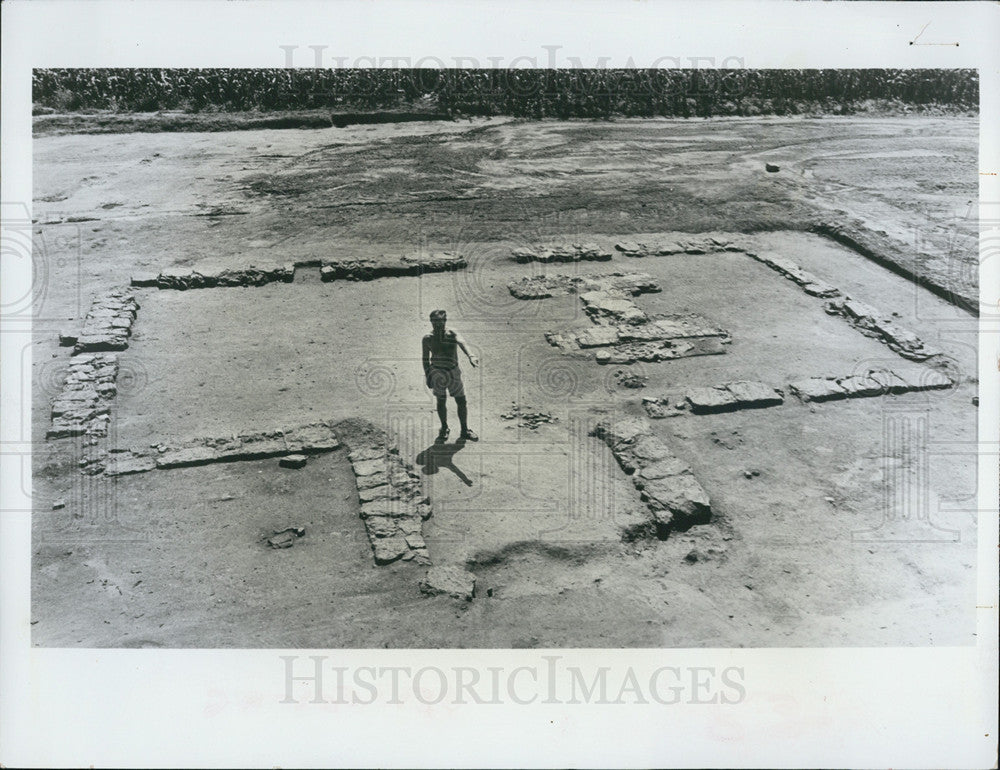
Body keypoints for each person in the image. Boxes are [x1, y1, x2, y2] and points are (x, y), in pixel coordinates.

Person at [422, 309, 478, 443]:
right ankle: (444, 428)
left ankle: (464, 430)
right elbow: (425, 358)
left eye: (441, 322)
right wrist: (428, 375)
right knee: (441, 401)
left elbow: (462, 342)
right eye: (435, 322)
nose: (438, 325)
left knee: (461, 400)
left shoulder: (452, 333)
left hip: (453, 371)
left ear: (445, 321)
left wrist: (471, 355)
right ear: (431, 322)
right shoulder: (427, 338)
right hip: (437, 372)